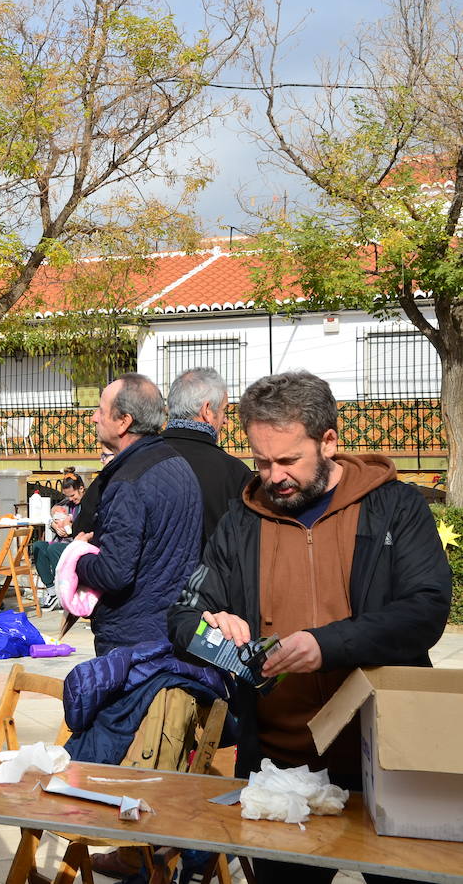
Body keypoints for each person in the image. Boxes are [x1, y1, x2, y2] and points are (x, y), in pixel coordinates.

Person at [168, 371, 451, 884]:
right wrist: (213, 627)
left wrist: (327, 645)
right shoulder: (240, 521)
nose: (273, 477)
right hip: (282, 766)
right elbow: (184, 618)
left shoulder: (396, 507)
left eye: (288, 460)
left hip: (388, 759)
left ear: (328, 442)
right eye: (261, 461)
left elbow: (426, 609)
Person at [70, 374, 201, 654]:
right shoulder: (178, 463)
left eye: (101, 410)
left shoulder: (129, 481)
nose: (94, 418)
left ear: (124, 421)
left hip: (133, 640)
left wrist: (77, 556)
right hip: (172, 625)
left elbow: (114, 573)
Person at [161, 367, 254, 543]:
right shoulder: (234, 473)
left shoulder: (138, 458)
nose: (226, 420)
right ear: (207, 410)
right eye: (224, 410)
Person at [29, 475, 85, 609]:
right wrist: (54, 526)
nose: (70, 499)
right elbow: (51, 514)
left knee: (53, 549)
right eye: (67, 496)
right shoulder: (66, 503)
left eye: (72, 495)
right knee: (38, 546)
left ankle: (63, 590)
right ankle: (51, 590)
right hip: (60, 541)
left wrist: (71, 528)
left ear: (81, 489)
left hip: (76, 544)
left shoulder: (87, 505)